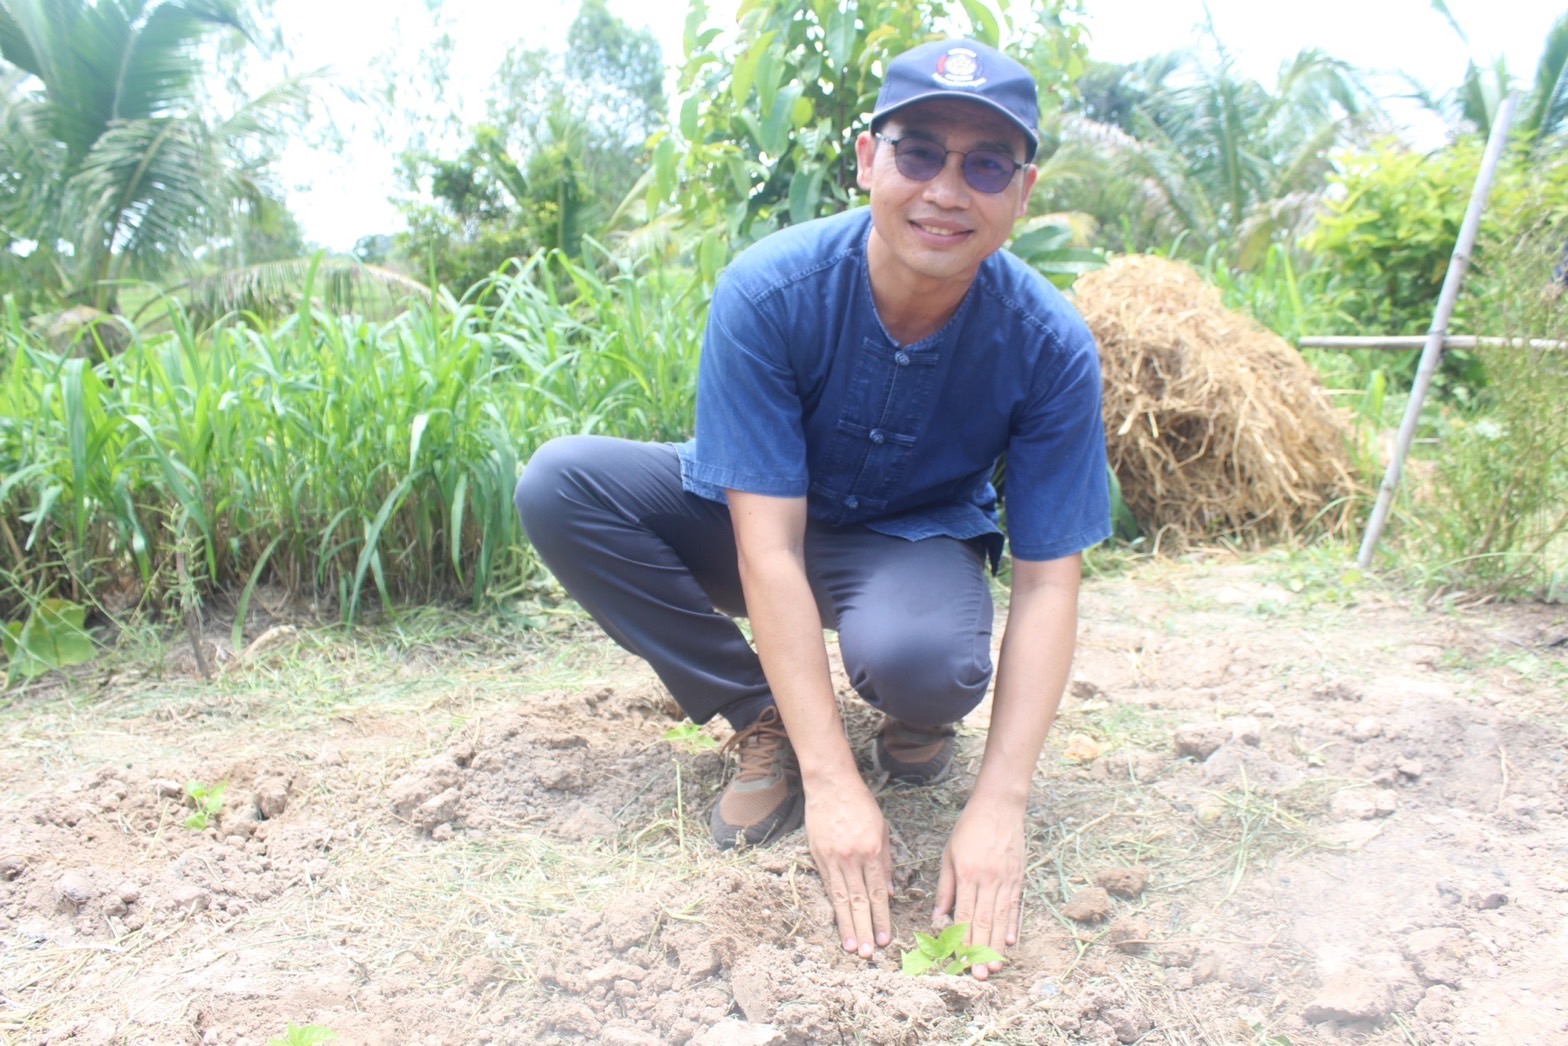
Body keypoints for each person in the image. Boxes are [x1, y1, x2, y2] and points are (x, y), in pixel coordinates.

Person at [515, 37, 1110, 979]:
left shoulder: (1050, 345)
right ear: (869, 160)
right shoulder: (771, 290)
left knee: (928, 663)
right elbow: (769, 551)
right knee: (562, 482)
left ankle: (918, 716)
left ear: (1022, 192)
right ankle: (761, 717)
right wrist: (832, 780)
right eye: (920, 152)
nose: (946, 191)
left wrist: (1001, 805)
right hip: (757, 523)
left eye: (986, 166)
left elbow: (1047, 585)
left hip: (911, 540)